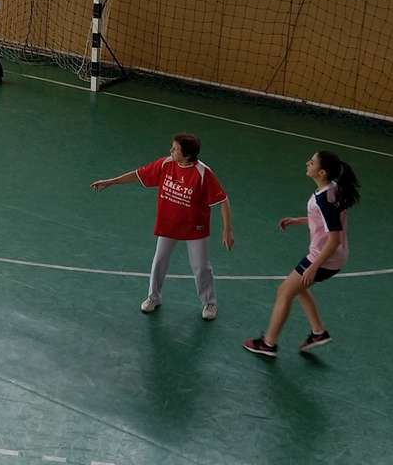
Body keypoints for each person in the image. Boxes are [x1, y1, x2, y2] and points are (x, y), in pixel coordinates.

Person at [90, 133, 234, 319]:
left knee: (200, 267)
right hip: (169, 224)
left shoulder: (203, 173)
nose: (171, 150)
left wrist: (227, 229)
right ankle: (153, 297)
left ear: (187, 154)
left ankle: (209, 303)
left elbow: (223, 200)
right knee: (159, 260)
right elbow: (138, 174)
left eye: (175, 149)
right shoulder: (166, 164)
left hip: (194, 228)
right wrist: (111, 182)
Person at [243, 151, 359, 358]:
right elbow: (325, 220)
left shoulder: (324, 199)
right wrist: (299, 220)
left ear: (322, 172)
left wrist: (313, 267)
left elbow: (333, 240)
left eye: (312, 162)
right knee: (298, 288)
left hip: (324, 258)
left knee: (284, 292)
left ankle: (268, 343)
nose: (307, 163)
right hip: (331, 256)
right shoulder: (332, 188)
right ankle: (318, 332)